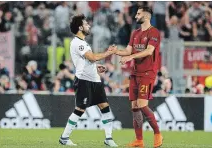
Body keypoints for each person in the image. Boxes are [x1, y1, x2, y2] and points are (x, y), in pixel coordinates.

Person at [59, 14, 118, 147]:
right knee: (80, 109)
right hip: (84, 81)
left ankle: (108, 138)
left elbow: (86, 61)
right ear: (80, 27)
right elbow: (91, 57)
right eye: (86, 24)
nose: (89, 26)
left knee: (105, 106)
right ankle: (64, 137)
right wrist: (109, 53)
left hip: (95, 80)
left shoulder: (83, 42)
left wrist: (96, 67)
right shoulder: (78, 43)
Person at [113, 6, 163, 147]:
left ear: (146, 16)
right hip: (135, 74)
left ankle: (158, 133)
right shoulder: (135, 33)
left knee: (142, 104)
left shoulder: (154, 32)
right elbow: (128, 50)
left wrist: (131, 57)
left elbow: (149, 51)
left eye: (138, 14)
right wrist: (116, 52)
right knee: (135, 107)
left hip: (148, 73)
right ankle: (139, 140)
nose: (136, 16)